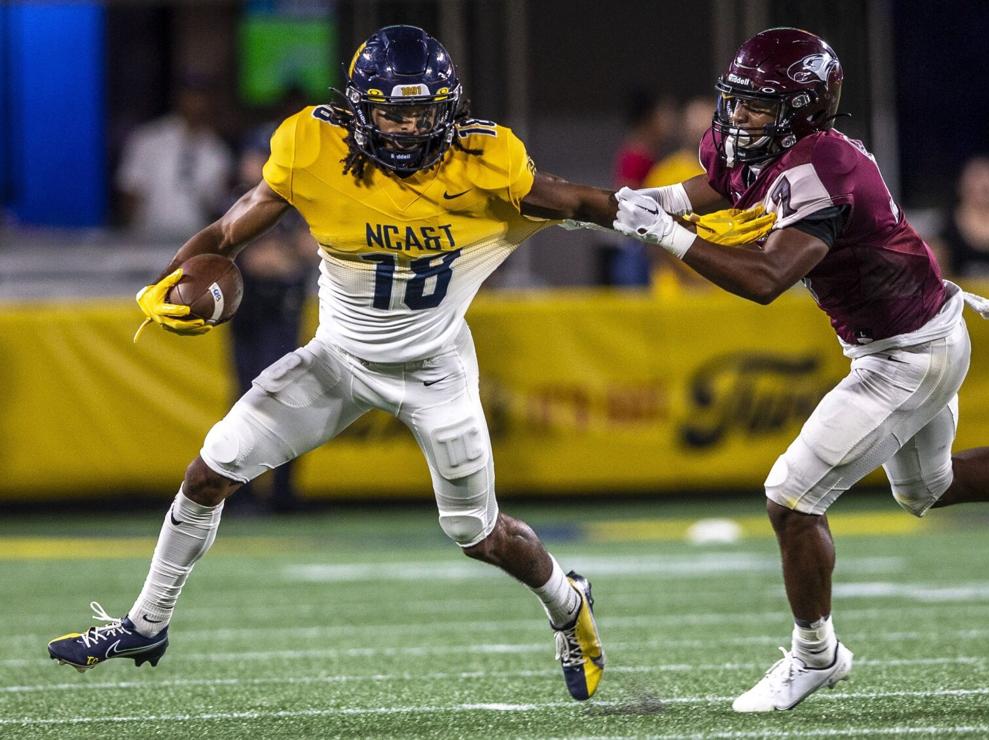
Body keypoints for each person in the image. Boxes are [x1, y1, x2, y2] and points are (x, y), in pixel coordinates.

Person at [47, 25, 628, 702]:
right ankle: (146, 623)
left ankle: (567, 601)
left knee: (477, 533)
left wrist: (681, 220)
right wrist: (169, 277)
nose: (409, 127)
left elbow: (586, 203)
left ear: (449, 110)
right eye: (391, 110)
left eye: (422, 110)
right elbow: (230, 232)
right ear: (357, 109)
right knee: (208, 474)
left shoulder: (485, 162)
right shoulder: (313, 149)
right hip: (340, 359)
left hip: (436, 370)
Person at [613, 27, 989, 713]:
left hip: (907, 353)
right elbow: (722, 185)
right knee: (930, 489)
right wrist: (662, 202)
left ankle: (816, 656)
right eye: (738, 102)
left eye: (756, 107)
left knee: (790, 497)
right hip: (915, 334)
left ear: (802, 111)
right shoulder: (772, 150)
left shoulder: (826, 169)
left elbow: (765, 279)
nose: (736, 118)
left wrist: (664, 233)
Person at [226, 127, 318, 513]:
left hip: (282, 307)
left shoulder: (292, 203)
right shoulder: (237, 200)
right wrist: (285, 255)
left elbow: (310, 249)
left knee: (287, 398)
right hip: (250, 309)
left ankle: (282, 490)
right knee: (248, 401)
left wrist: (285, 256)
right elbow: (257, 259)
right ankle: (241, 490)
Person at [115, 78, 234, 239]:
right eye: (191, 96)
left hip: (193, 243)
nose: (197, 103)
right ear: (180, 98)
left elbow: (218, 207)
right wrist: (130, 236)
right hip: (146, 238)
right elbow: (130, 190)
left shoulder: (218, 152)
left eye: (202, 97)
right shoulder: (149, 139)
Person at [643, 96, 718, 295]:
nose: (700, 130)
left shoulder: (732, 175)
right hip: (676, 289)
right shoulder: (664, 174)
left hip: (725, 289)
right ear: (684, 128)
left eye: (707, 123)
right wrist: (686, 280)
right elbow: (652, 236)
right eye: (695, 123)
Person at [604, 91, 677, 286]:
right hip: (638, 248)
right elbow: (626, 202)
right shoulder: (636, 155)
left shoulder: (650, 153)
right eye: (664, 113)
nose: (670, 120)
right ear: (649, 118)